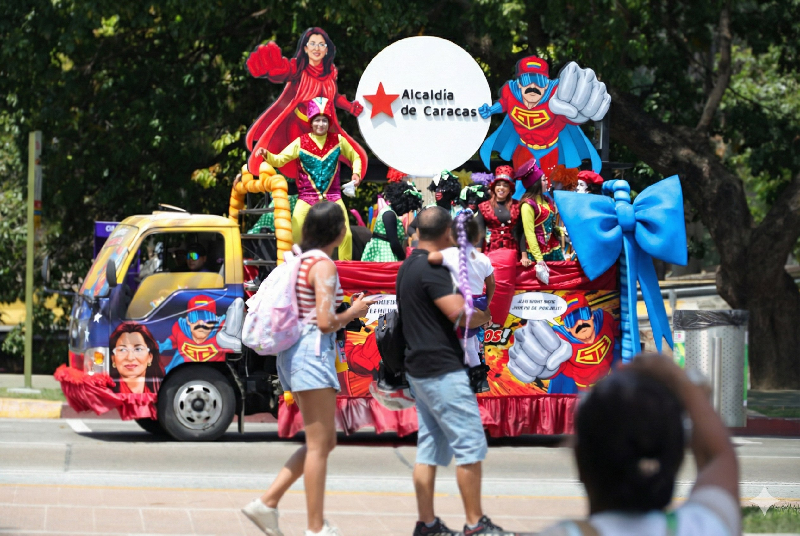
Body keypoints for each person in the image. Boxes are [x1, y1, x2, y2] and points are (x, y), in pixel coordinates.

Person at [242, 201, 376, 536]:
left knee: (323, 441)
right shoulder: (323, 265)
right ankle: (315, 528)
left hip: (294, 356)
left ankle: (268, 504)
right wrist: (355, 311)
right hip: (311, 356)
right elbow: (326, 322)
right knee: (320, 445)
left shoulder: (299, 260)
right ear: (339, 232)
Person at [397, 206, 511, 536]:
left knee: (429, 449)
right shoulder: (432, 270)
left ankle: (427, 524)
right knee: (470, 445)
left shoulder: (408, 266)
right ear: (447, 233)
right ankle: (476, 525)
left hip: (419, 368)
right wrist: (486, 316)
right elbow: (461, 314)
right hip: (442, 370)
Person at [538, 353, 740, 536]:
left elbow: (718, 457)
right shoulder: (708, 527)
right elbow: (718, 457)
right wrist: (681, 379)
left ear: (579, 458)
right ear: (676, 458)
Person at [245, 27, 367, 181]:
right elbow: (283, 71)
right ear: (305, 48)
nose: (317, 48)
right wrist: (271, 67)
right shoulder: (298, 69)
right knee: (301, 169)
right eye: (313, 44)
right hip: (298, 128)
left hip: (324, 129)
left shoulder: (330, 72)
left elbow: (334, 97)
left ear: (327, 50)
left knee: (358, 157)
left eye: (321, 44)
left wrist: (349, 107)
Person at [256, 97, 361, 260]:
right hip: (307, 197)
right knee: (296, 231)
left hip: (333, 196)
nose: (321, 124)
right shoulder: (301, 142)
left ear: (329, 122)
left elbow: (356, 157)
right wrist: (267, 154)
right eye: (317, 120)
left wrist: (356, 173)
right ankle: (296, 265)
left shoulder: (338, 140)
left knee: (346, 235)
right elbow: (279, 160)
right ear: (311, 122)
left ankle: (344, 269)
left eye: (324, 120)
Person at [427, 212, 496, 393]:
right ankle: (476, 379)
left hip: (457, 304)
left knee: (462, 345)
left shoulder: (447, 255)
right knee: (471, 343)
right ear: (477, 236)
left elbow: (430, 259)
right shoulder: (483, 259)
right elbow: (492, 284)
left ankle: (473, 379)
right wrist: (485, 305)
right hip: (477, 303)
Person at [518, 164, 564, 282]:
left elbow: (551, 224)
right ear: (536, 183)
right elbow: (529, 233)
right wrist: (539, 259)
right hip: (537, 252)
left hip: (553, 248)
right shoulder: (527, 205)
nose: (547, 182)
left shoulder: (547, 200)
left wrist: (559, 231)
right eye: (544, 180)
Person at [362, 181, 423, 262]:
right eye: (407, 207)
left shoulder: (390, 212)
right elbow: (394, 243)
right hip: (383, 254)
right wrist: (404, 258)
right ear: (402, 204)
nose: (406, 211)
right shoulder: (389, 214)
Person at [475, 166, 520, 253]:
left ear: (510, 189)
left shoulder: (517, 206)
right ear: (494, 187)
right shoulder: (483, 206)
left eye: (505, 185)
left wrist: (524, 255)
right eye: (498, 185)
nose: (501, 188)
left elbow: (521, 232)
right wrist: (478, 254)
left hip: (512, 250)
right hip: (490, 250)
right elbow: (480, 232)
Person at [109, 323, 163, 394]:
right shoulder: (102, 392)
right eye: (122, 350)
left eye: (138, 349)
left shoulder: (163, 390)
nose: (130, 358)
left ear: (150, 357)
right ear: (113, 359)